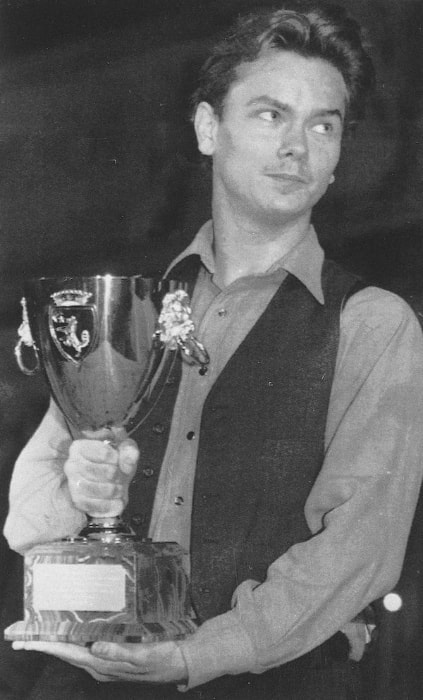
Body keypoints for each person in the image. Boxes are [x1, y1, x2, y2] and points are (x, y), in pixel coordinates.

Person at [5, 2, 423, 698]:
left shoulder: (372, 326)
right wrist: (81, 484)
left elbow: (361, 550)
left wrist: (202, 653)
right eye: (269, 114)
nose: (298, 146)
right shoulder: (129, 313)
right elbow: (27, 524)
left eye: (324, 124)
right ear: (207, 129)